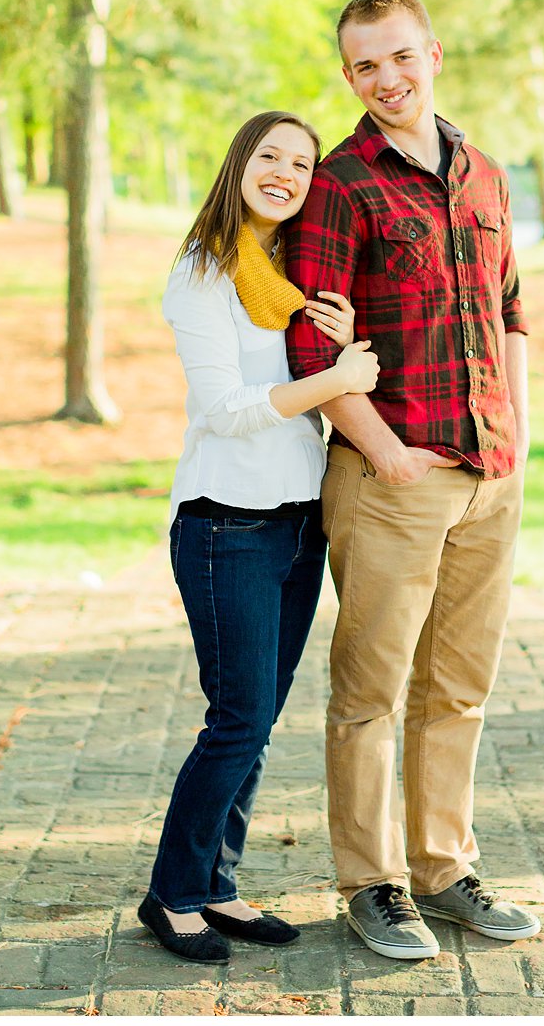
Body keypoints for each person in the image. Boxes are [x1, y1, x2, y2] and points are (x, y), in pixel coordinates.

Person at [283, 0, 536, 961]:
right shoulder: (340, 183)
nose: (385, 78)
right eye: (362, 66)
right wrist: (382, 452)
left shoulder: (483, 175)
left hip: (487, 474)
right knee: (369, 692)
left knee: (458, 687)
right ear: (347, 76)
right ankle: (370, 884)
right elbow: (313, 343)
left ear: (431, 51)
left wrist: (517, 435)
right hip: (388, 481)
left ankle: (443, 869)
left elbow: (509, 309)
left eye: (397, 57)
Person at [138, 110, 381, 962]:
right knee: (236, 718)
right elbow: (226, 410)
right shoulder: (203, 273)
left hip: (296, 521)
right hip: (224, 525)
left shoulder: (282, 276)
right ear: (239, 161)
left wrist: (340, 344)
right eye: (270, 156)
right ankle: (172, 894)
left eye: (303, 164)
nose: (286, 172)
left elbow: (300, 374)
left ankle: (218, 884)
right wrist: (335, 379)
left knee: (261, 716)